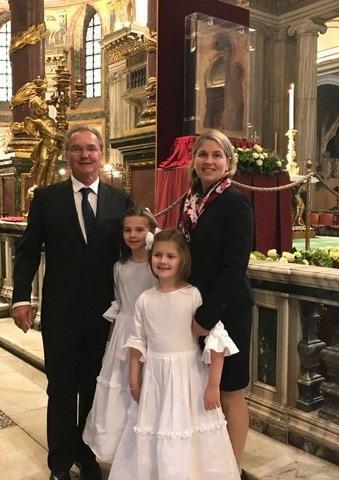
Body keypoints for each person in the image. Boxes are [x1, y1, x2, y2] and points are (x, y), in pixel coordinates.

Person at [11, 125, 133, 480]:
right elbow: (29, 251)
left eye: (91, 149)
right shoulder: (47, 198)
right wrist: (21, 297)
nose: (85, 155)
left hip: (105, 314)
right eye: (77, 149)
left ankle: (88, 454)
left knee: (95, 387)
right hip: (60, 312)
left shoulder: (119, 201)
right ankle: (60, 464)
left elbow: (133, 254)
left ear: (102, 154)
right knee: (62, 388)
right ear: (68, 155)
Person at [109, 229, 240, 480]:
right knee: (156, 432)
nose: (163, 261)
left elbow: (216, 341)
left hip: (188, 379)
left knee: (186, 433)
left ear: (182, 260)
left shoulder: (192, 295)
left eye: (171, 256)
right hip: (156, 381)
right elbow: (138, 342)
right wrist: (134, 379)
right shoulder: (144, 299)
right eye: (157, 255)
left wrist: (213, 385)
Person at [180, 129, 254, 478]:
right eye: (203, 154)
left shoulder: (234, 202)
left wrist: (208, 316)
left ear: (228, 163)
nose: (209, 161)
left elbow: (235, 267)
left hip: (227, 311)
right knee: (203, 391)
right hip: (197, 309)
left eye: (216, 155)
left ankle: (233, 469)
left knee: (229, 392)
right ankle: (212, 464)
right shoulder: (191, 201)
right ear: (194, 160)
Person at [82, 207, 158, 461]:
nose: (133, 235)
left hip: (149, 331)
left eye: (140, 229)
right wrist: (109, 341)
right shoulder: (120, 266)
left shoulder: (156, 265)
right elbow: (118, 304)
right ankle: (119, 451)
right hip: (123, 333)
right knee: (121, 388)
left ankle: (145, 451)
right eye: (128, 229)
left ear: (150, 232)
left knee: (145, 388)